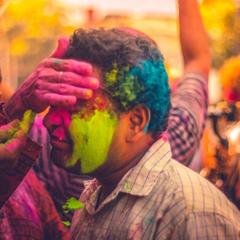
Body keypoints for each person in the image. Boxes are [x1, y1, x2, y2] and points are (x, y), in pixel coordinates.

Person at [41, 1, 240, 239]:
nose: (48, 121)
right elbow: (197, 63)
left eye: (74, 108)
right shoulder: (96, 191)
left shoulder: (190, 215)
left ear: (136, 122)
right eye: (55, 104)